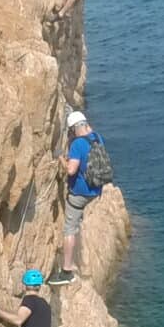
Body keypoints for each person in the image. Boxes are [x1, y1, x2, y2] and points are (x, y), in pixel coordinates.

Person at [56, 108, 110, 286]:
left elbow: (71, 170)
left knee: (69, 230)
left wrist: (61, 160)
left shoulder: (77, 145)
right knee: (76, 221)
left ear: (73, 129)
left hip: (80, 193)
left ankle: (67, 270)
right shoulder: (97, 137)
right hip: (96, 190)